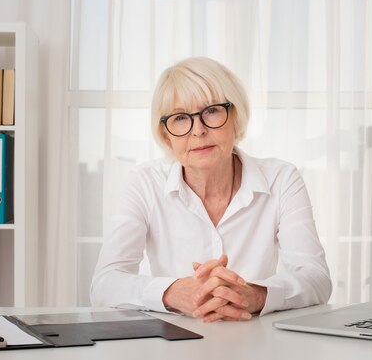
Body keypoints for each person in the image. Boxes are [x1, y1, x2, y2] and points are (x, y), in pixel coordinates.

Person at [91, 57, 332, 322]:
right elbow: (104, 284)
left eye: (212, 111)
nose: (199, 131)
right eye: (181, 118)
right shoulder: (144, 183)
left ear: (235, 116)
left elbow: (316, 277)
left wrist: (255, 295)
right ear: (165, 135)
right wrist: (172, 292)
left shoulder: (282, 179)